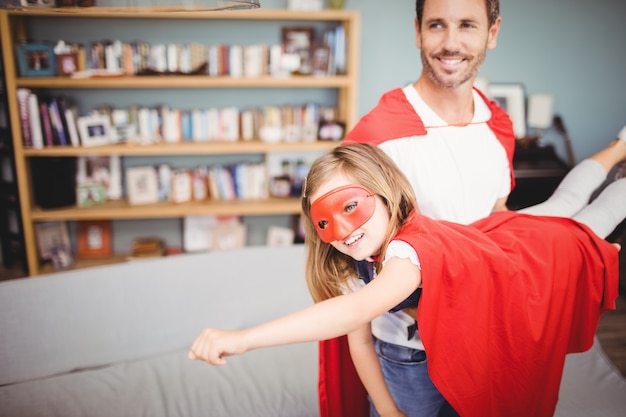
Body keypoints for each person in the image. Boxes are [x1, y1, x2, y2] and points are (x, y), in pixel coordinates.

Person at [189, 142, 624, 417]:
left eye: (350, 207)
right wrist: (385, 409)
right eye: (323, 222)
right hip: (410, 360)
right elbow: (358, 337)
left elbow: (356, 310)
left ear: (385, 192)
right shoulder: (346, 261)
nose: (341, 233)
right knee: (568, 205)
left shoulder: (405, 252)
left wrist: (245, 338)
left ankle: (620, 145)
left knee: (585, 218)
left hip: (514, 261)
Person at [326, 0, 513, 415]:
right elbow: (350, 258)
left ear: (492, 32)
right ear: (417, 32)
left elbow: (498, 227)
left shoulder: (498, 127)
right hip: (409, 353)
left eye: (467, 25)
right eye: (436, 25)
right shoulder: (378, 139)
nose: (451, 43)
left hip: (485, 339)